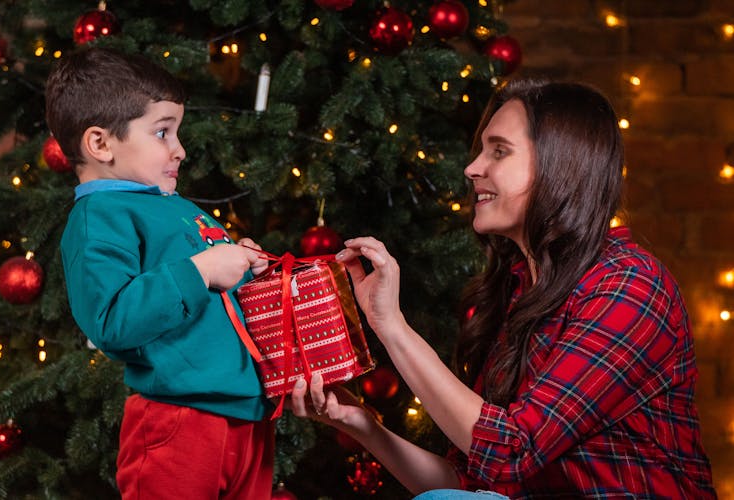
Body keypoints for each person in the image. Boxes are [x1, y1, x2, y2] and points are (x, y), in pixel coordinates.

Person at [290, 79, 717, 498]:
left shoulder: (629, 287)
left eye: (499, 151)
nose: (472, 168)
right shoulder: (515, 292)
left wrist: (393, 325)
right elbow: (473, 483)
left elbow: (510, 451)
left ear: (560, 166)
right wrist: (362, 424)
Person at [48, 47, 274, 499]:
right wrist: (203, 269)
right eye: (162, 132)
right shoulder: (100, 216)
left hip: (247, 416)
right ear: (101, 144)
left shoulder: (178, 208)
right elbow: (112, 320)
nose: (180, 149)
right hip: (179, 420)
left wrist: (245, 264)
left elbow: (214, 292)